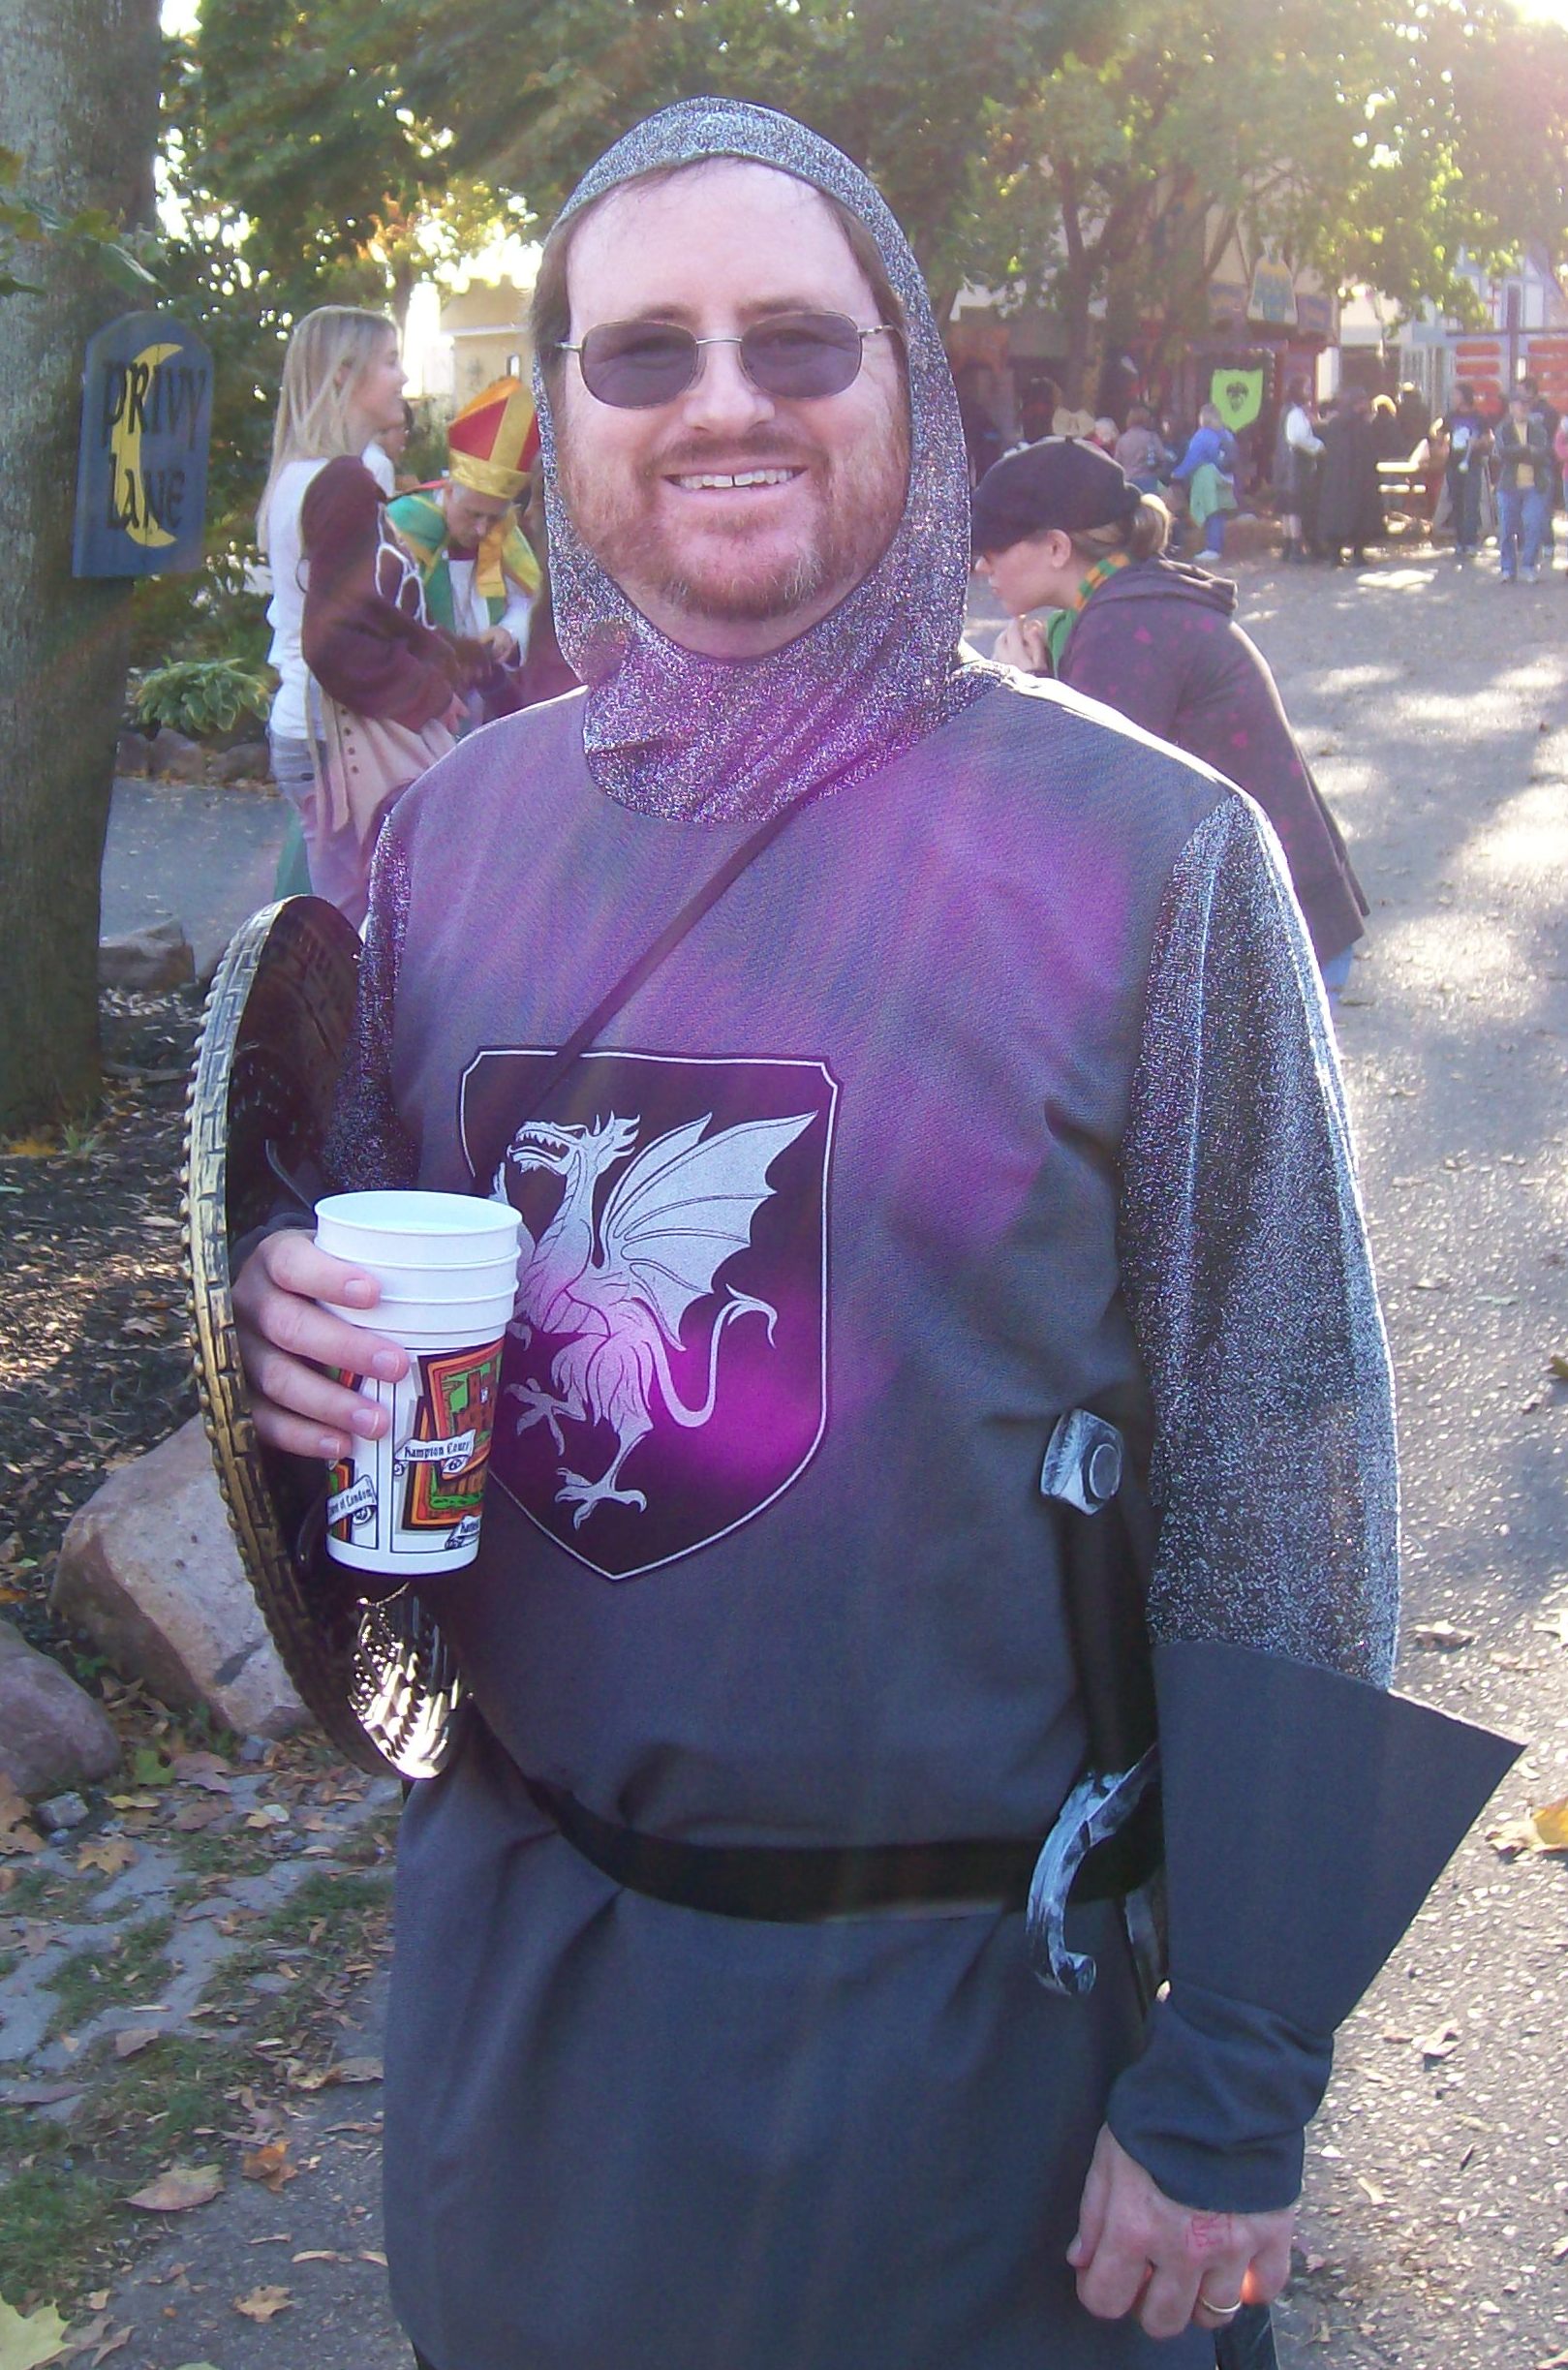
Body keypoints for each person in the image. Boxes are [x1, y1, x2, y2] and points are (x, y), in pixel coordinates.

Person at [231, 100, 1496, 2370]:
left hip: (969, 2061)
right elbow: (355, 1317)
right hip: (537, 2016)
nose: (720, 398)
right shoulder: (452, 843)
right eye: (643, 350)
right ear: (563, 411)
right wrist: (274, 1323)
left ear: (907, 373)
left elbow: (1279, 1455)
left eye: (795, 339)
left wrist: (1234, 2068)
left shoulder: (1145, 851)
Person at [974, 439, 1367, 996]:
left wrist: (1026, 691)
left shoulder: (1124, 627)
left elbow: (1082, 817)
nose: (980, 564)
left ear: (1057, 547)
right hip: (1275, 918)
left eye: (993, 546)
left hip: (1271, 945)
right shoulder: (1132, 597)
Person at [296, 442, 485, 925]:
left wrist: (458, 660)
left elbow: (388, 621)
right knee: (368, 906)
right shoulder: (358, 526)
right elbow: (332, 644)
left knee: (360, 901)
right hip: (348, 741)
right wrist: (429, 692)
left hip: (339, 735)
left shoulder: (351, 530)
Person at [258, 306, 411, 898]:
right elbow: (344, 634)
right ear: (344, 373)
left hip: (311, 728)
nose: (402, 377)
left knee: (349, 914)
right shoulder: (345, 479)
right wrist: (432, 686)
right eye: (390, 361)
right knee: (356, 925)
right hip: (337, 737)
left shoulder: (299, 475)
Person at [386, 377, 543, 724]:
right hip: (418, 707)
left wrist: (508, 632)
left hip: (482, 707)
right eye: (473, 514)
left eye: (494, 517)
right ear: (449, 491)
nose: (483, 530)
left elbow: (527, 601)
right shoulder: (403, 525)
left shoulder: (502, 531)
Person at [1491, 386, 1554, 584]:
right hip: (1508, 486)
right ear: (1511, 407)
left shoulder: (1538, 428)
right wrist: (1527, 450)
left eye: (1526, 404)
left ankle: (1529, 565)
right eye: (1520, 404)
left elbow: (1542, 453)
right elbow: (1503, 453)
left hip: (1535, 485)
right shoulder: (1503, 429)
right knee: (1507, 529)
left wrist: (1520, 452)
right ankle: (1507, 569)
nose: (1524, 408)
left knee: (1534, 525)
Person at [1315, 389, 1383, 566]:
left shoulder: (1334, 425)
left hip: (1336, 480)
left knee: (1336, 516)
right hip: (1360, 480)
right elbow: (1370, 455)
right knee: (1361, 517)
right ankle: (1357, 554)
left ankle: (1335, 555)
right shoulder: (1363, 427)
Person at [1169, 402, 1237, 560]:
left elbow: (1192, 459)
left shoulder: (1203, 435)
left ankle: (1212, 548)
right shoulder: (1227, 434)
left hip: (1209, 478)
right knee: (1219, 513)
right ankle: (1217, 547)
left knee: (1210, 511)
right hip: (1227, 478)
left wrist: (1176, 474)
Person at [1272, 378, 1322, 565]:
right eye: (1306, 388)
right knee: (1294, 509)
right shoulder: (1295, 412)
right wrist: (1318, 446)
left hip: (1283, 465)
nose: (1309, 391)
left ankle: (1287, 547)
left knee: (1286, 509)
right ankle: (1295, 549)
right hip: (1295, 466)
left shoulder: (1285, 410)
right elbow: (1298, 438)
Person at [1443, 382, 1492, 563]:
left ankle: (1471, 541)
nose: (1453, 398)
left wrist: (1478, 442)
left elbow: (1489, 438)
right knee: (1456, 502)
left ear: (1465, 396)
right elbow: (1440, 433)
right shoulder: (1451, 416)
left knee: (1471, 502)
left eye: (1456, 394)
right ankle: (1459, 541)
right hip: (1453, 464)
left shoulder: (1479, 417)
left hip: (1472, 464)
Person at [1113, 404, 1167, 493]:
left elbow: (1117, 462)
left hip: (1128, 481)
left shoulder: (1122, 439)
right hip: (1148, 480)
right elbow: (1162, 457)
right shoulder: (1151, 437)